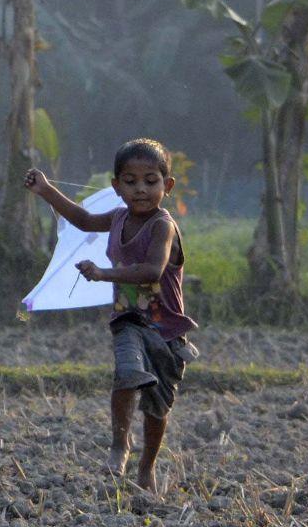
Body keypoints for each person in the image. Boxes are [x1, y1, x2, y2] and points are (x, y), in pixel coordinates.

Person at [25, 138, 200, 492]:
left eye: (150, 181)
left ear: (167, 186)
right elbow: (86, 220)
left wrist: (104, 274)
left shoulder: (162, 226)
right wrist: (46, 190)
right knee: (126, 374)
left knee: (157, 404)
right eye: (130, 181)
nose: (140, 189)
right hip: (128, 319)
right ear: (116, 187)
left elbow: (152, 270)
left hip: (165, 327)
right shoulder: (119, 217)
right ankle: (120, 443)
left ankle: (147, 465)